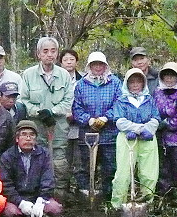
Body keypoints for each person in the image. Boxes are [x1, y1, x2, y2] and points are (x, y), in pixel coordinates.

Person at [20, 37, 74, 199]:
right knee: (37, 156)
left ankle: (59, 194)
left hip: (58, 125)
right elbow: (23, 100)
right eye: (45, 51)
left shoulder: (64, 75)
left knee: (58, 158)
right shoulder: (29, 75)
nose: (49, 55)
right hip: (37, 126)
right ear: (38, 54)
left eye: (53, 51)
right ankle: (38, 193)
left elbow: (68, 100)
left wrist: (52, 111)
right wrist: (39, 112)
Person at [72, 52, 121, 199]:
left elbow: (119, 104)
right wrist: (89, 120)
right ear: (89, 66)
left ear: (105, 65)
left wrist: (106, 118)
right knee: (86, 168)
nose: (98, 67)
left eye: (100, 64)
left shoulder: (115, 83)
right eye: (94, 64)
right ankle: (87, 197)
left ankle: (108, 198)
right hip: (88, 134)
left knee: (109, 168)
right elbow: (76, 107)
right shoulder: (81, 85)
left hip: (109, 134)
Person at [0, 120, 63, 217]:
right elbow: (5, 184)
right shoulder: (7, 156)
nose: (28, 138)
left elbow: (48, 179)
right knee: (10, 212)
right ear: (17, 139)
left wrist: (41, 200)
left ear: (36, 138)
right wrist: (20, 202)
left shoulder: (44, 154)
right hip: (16, 199)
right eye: (24, 134)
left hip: (37, 197)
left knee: (55, 208)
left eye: (32, 135)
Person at [111, 68, 161, 209]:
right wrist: (136, 129)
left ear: (143, 83)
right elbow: (119, 120)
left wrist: (147, 130)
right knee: (123, 174)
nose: (135, 85)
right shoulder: (121, 101)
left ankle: (147, 204)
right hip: (127, 138)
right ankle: (117, 205)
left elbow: (156, 118)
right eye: (131, 82)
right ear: (126, 84)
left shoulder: (149, 100)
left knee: (149, 173)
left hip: (148, 138)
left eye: (138, 82)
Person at [153, 62, 177, 195]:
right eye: (166, 76)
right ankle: (163, 193)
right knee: (162, 167)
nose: (169, 79)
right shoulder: (158, 92)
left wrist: (167, 123)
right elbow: (153, 110)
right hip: (159, 136)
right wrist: (155, 123)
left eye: (172, 76)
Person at [59, 49, 83, 192]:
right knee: (63, 159)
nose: (69, 62)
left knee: (79, 159)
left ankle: (80, 189)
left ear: (76, 62)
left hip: (79, 124)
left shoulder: (83, 80)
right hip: (61, 124)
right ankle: (64, 189)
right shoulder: (57, 78)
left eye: (72, 59)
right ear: (61, 62)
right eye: (65, 60)